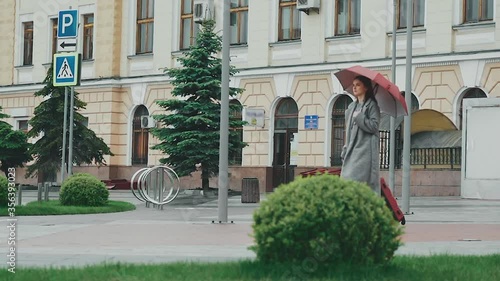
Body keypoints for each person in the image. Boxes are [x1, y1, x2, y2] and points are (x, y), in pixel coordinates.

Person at [340, 75, 381, 194]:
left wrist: (359, 117)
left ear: (366, 87)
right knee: (347, 182)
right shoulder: (351, 107)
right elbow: (348, 130)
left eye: (358, 85)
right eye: (353, 85)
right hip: (351, 150)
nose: (354, 88)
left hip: (364, 151)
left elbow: (374, 127)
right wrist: (345, 147)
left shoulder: (372, 105)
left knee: (358, 182)